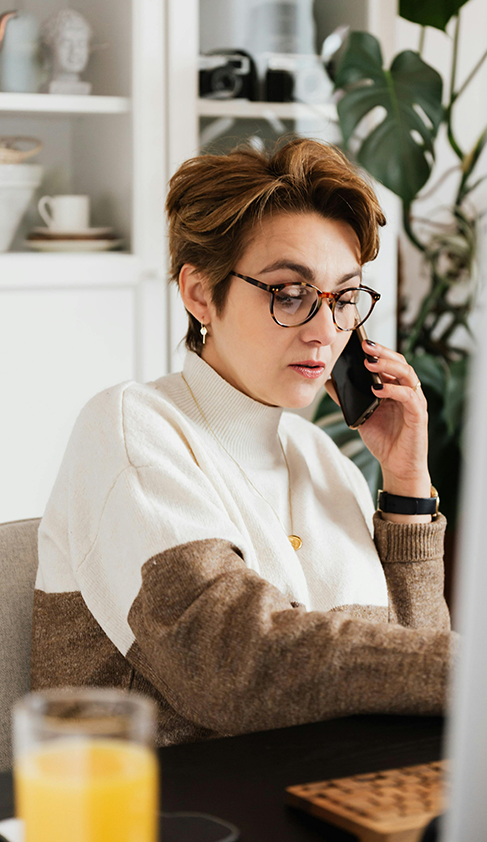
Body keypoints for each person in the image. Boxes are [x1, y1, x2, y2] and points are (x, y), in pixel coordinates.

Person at [31, 138, 456, 746]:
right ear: (201, 293)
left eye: (344, 298)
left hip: (333, 798)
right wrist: (483, 667)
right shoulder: (131, 428)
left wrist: (407, 487)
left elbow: (414, 678)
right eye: (290, 293)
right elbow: (231, 665)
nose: (325, 330)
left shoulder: (323, 461)